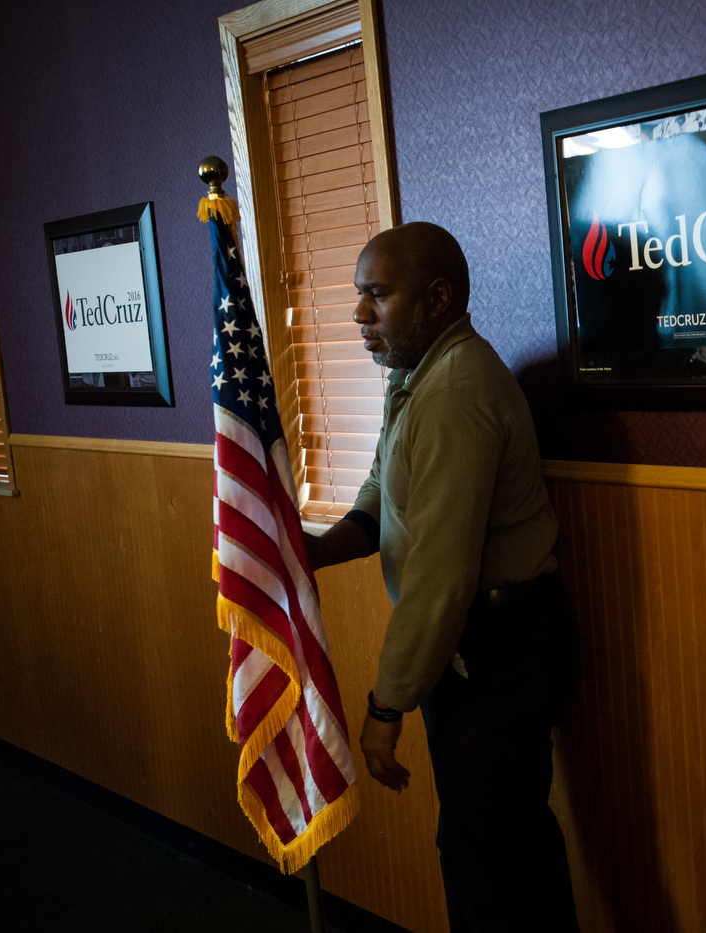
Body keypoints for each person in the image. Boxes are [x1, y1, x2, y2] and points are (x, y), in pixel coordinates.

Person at [304, 222, 580, 933]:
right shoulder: (415, 374)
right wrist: (313, 551)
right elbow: (378, 494)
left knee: (498, 863)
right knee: (477, 847)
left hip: (497, 648)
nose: (361, 315)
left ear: (437, 297)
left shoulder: (456, 389)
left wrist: (385, 706)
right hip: (471, 647)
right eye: (359, 296)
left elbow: (440, 576)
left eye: (377, 295)